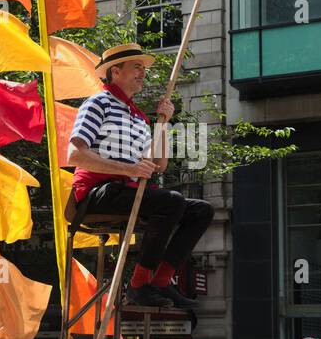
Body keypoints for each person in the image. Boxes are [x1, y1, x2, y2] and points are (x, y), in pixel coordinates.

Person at [68, 42, 214, 310]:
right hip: (98, 192)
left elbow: (159, 163)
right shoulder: (98, 103)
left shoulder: (137, 116)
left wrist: (163, 122)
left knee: (201, 211)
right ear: (115, 71)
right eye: (136, 67)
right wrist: (128, 169)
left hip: (129, 191)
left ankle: (160, 281)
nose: (142, 73)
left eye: (142, 68)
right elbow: (75, 155)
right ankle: (138, 283)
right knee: (171, 201)